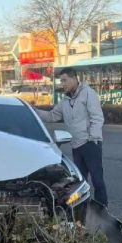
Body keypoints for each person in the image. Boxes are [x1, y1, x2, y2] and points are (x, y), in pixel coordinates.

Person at [34, 67, 108, 207]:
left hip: (90, 144)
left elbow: (97, 117)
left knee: (97, 180)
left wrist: (92, 138)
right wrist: (33, 111)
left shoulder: (88, 94)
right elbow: (52, 116)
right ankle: (83, 209)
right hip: (76, 146)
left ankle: (102, 209)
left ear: (74, 78)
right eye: (61, 81)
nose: (63, 84)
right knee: (80, 182)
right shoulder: (65, 101)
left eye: (65, 80)